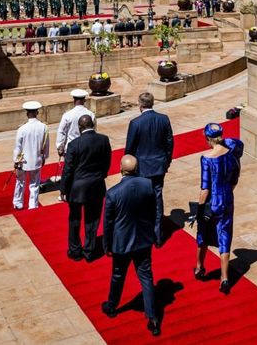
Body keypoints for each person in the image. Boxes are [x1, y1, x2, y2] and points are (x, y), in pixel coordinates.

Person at [103, 154, 160, 336]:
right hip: (143, 239)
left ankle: (112, 306)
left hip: (122, 242)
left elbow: (108, 223)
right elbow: (154, 212)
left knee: (118, 275)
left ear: (121, 168)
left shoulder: (113, 193)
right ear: (136, 169)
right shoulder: (148, 185)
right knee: (146, 277)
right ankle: (152, 318)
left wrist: (107, 245)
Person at [193, 123, 242, 294]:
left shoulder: (207, 159)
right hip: (228, 198)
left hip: (212, 202)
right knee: (225, 235)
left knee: (203, 234)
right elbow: (235, 179)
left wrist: (199, 210)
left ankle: (199, 267)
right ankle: (225, 278)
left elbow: (205, 188)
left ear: (207, 138)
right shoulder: (233, 153)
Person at [124, 91, 173, 247]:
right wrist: (166, 162)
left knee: (141, 201)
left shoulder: (135, 123)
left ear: (140, 105)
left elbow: (129, 148)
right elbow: (169, 144)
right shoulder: (164, 119)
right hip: (158, 167)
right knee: (157, 201)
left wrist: (129, 167)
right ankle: (158, 237)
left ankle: (143, 235)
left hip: (141, 169)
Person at [61, 114, 111, 261]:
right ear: (92, 125)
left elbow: (68, 169)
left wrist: (63, 188)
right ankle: (89, 250)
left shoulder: (74, 144)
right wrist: (100, 176)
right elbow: (107, 162)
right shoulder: (103, 140)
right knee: (92, 220)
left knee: (75, 220)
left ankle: (75, 250)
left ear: (79, 127)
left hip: (77, 188)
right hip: (96, 185)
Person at [12, 100, 50, 210]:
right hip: (36, 160)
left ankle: (18, 203)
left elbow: (18, 147)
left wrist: (15, 160)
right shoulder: (43, 127)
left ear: (27, 113)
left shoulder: (22, 129)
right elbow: (46, 145)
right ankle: (33, 205)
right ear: (37, 113)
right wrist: (44, 157)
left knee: (20, 182)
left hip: (22, 161)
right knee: (34, 184)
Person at [56, 89, 95, 157]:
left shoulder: (67, 115)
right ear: (84, 100)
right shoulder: (91, 114)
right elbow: (93, 131)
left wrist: (60, 146)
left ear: (74, 100)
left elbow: (61, 132)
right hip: (86, 148)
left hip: (71, 148)